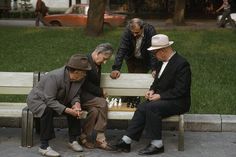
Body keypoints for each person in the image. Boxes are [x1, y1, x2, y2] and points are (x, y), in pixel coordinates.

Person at [113, 34, 191, 155]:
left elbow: (182, 89)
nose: (154, 56)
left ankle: (157, 144)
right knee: (142, 107)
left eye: (155, 53)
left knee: (151, 107)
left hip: (179, 101)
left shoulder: (182, 64)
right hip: (164, 100)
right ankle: (126, 141)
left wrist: (160, 96)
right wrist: (152, 90)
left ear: (164, 50)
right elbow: (157, 81)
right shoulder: (160, 62)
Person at [27, 54, 92, 157]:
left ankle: (73, 140)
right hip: (39, 100)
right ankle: (44, 147)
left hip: (58, 99)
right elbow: (49, 100)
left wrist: (76, 104)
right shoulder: (55, 76)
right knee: (47, 110)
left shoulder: (79, 78)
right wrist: (67, 110)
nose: (85, 74)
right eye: (84, 72)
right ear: (76, 72)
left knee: (75, 110)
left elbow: (75, 94)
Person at [110, 18, 157, 104]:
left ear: (142, 28)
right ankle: (131, 101)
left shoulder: (150, 30)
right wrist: (116, 68)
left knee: (137, 79)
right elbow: (122, 49)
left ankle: (128, 100)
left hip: (144, 59)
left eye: (137, 32)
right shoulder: (128, 30)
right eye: (133, 32)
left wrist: (154, 68)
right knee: (132, 78)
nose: (134, 35)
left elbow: (153, 51)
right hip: (131, 58)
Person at [80, 43, 114, 150]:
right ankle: (100, 137)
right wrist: (101, 92)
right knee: (103, 103)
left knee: (94, 111)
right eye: (104, 58)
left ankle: (83, 137)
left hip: (89, 97)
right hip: (79, 96)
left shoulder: (97, 64)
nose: (105, 62)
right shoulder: (84, 61)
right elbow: (83, 83)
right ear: (98, 53)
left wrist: (99, 93)